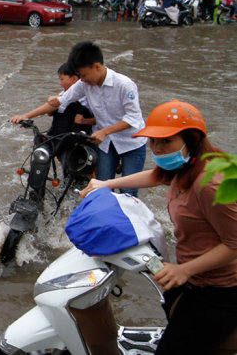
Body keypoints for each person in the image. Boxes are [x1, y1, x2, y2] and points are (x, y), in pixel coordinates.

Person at [79, 100, 237, 355]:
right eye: (153, 141)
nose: (158, 149)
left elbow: (233, 244)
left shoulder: (209, 184)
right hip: (190, 279)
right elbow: (155, 176)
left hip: (219, 291)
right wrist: (106, 183)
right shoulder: (183, 168)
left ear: (192, 140)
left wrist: (184, 269)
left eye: (167, 141)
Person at [10, 41, 147, 197]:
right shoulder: (84, 84)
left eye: (83, 75)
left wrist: (104, 131)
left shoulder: (124, 85)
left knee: (128, 190)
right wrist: (26, 116)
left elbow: (133, 118)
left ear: (97, 66)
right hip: (106, 145)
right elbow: (61, 101)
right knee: (101, 187)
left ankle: (127, 219)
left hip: (131, 143)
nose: (82, 80)